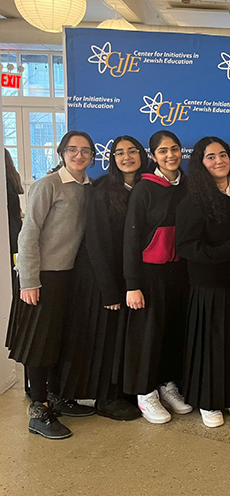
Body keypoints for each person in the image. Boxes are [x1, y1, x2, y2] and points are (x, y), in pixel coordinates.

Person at [6, 131, 96, 439]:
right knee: (39, 345)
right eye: (72, 150)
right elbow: (28, 234)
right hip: (43, 277)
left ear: (92, 155)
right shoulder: (49, 185)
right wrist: (29, 280)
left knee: (60, 341)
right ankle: (38, 409)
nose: (79, 155)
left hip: (71, 277)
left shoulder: (89, 188)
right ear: (61, 153)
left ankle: (57, 397)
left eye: (85, 150)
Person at [57, 136, 148, 421]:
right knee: (106, 339)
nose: (126, 157)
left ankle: (124, 392)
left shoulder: (147, 187)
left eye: (132, 151)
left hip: (133, 278)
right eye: (119, 153)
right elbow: (95, 243)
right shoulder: (102, 190)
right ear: (112, 159)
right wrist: (108, 289)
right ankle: (106, 398)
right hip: (102, 277)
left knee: (126, 338)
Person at [176, 136, 230, 428]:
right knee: (211, 345)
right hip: (211, 284)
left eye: (223, 155)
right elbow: (186, 246)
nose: (219, 161)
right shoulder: (194, 199)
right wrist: (225, 250)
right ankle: (208, 401)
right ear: (201, 163)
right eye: (211, 157)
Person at [123, 130, 191, 424]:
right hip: (149, 274)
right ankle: (145, 392)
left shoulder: (188, 186)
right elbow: (131, 239)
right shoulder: (144, 189)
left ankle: (166, 384)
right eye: (163, 151)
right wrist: (133, 284)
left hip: (179, 273)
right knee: (147, 334)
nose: (170, 155)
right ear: (153, 156)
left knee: (173, 332)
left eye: (174, 149)